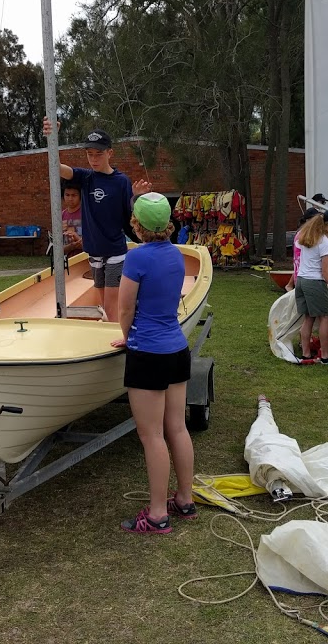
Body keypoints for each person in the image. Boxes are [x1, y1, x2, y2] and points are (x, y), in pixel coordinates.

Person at [111, 193, 197, 534]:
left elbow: (125, 308)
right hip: (177, 348)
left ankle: (159, 513)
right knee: (177, 427)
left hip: (148, 352)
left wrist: (126, 335)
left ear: (137, 224)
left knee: (152, 436)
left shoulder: (137, 258)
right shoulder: (176, 255)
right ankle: (185, 499)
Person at [43, 117, 151, 321]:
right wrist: (52, 138)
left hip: (115, 252)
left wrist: (137, 197)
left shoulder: (121, 181)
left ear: (110, 153)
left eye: (98, 154)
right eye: (89, 154)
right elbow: (56, 167)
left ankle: (118, 341)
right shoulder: (85, 177)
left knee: (111, 306)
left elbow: (131, 218)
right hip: (94, 252)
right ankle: (114, 328)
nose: (94, 159)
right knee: (105, 303)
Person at [294, 210, 328, 364]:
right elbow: (325, 272)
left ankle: (306, 354)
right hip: (314, 283)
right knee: (324, 317)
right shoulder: (325, 243)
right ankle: (325, 355)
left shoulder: (307, 237)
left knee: (308, 318)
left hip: (301, 281)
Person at [285, 207, 320, 292]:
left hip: (301, 275)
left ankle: (289, 286)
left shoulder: (302, 232)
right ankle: (289, 286)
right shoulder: (305, 234)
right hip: (305, 276)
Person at [61, 183, 83, 257]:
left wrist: (80, 243)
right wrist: (72, 246)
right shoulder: (60, 216)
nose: (70, 199)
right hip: (67, 263)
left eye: (74, 195)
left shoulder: (87, 214)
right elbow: (57, 249)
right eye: (67, 195)